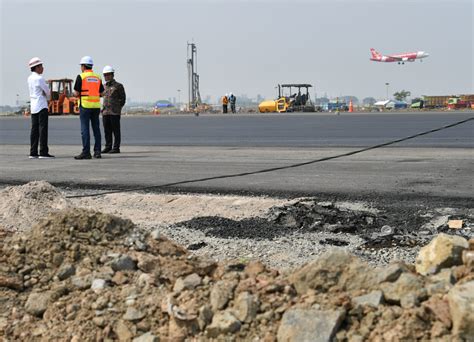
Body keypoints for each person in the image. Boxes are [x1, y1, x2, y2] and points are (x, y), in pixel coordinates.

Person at [73, 56, 104, 159]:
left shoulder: (81, 77)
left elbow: (76, 93)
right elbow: (102, 93)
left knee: (85, 129)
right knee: (96, 129)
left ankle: (86, 152)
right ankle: (97, 151)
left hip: (85, 106)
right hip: (96, 106)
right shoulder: (98, 77)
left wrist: (76, 95)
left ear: (83, 66)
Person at [27, 57, 54, 159]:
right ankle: (43, 152)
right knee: (43, 129)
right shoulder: (40, 78)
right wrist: (47, 96)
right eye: (41, 66)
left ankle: (33, 152)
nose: (43, 68)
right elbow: (48, 92)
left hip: (33, 106)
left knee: (34, 130)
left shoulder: (29, 78)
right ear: (37, 67)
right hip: (42, 106)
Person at [101, 65, 126, 153]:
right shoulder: (103, 86)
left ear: (112, 75)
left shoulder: (118, 86)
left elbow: (122, 99)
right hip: (105, 112)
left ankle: (116, 148)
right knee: (107, 131)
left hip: (114, 112)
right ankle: (108, 146)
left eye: (108, 75)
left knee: (116, 131)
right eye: (104, 75)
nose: (106, 77)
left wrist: (117, 108)